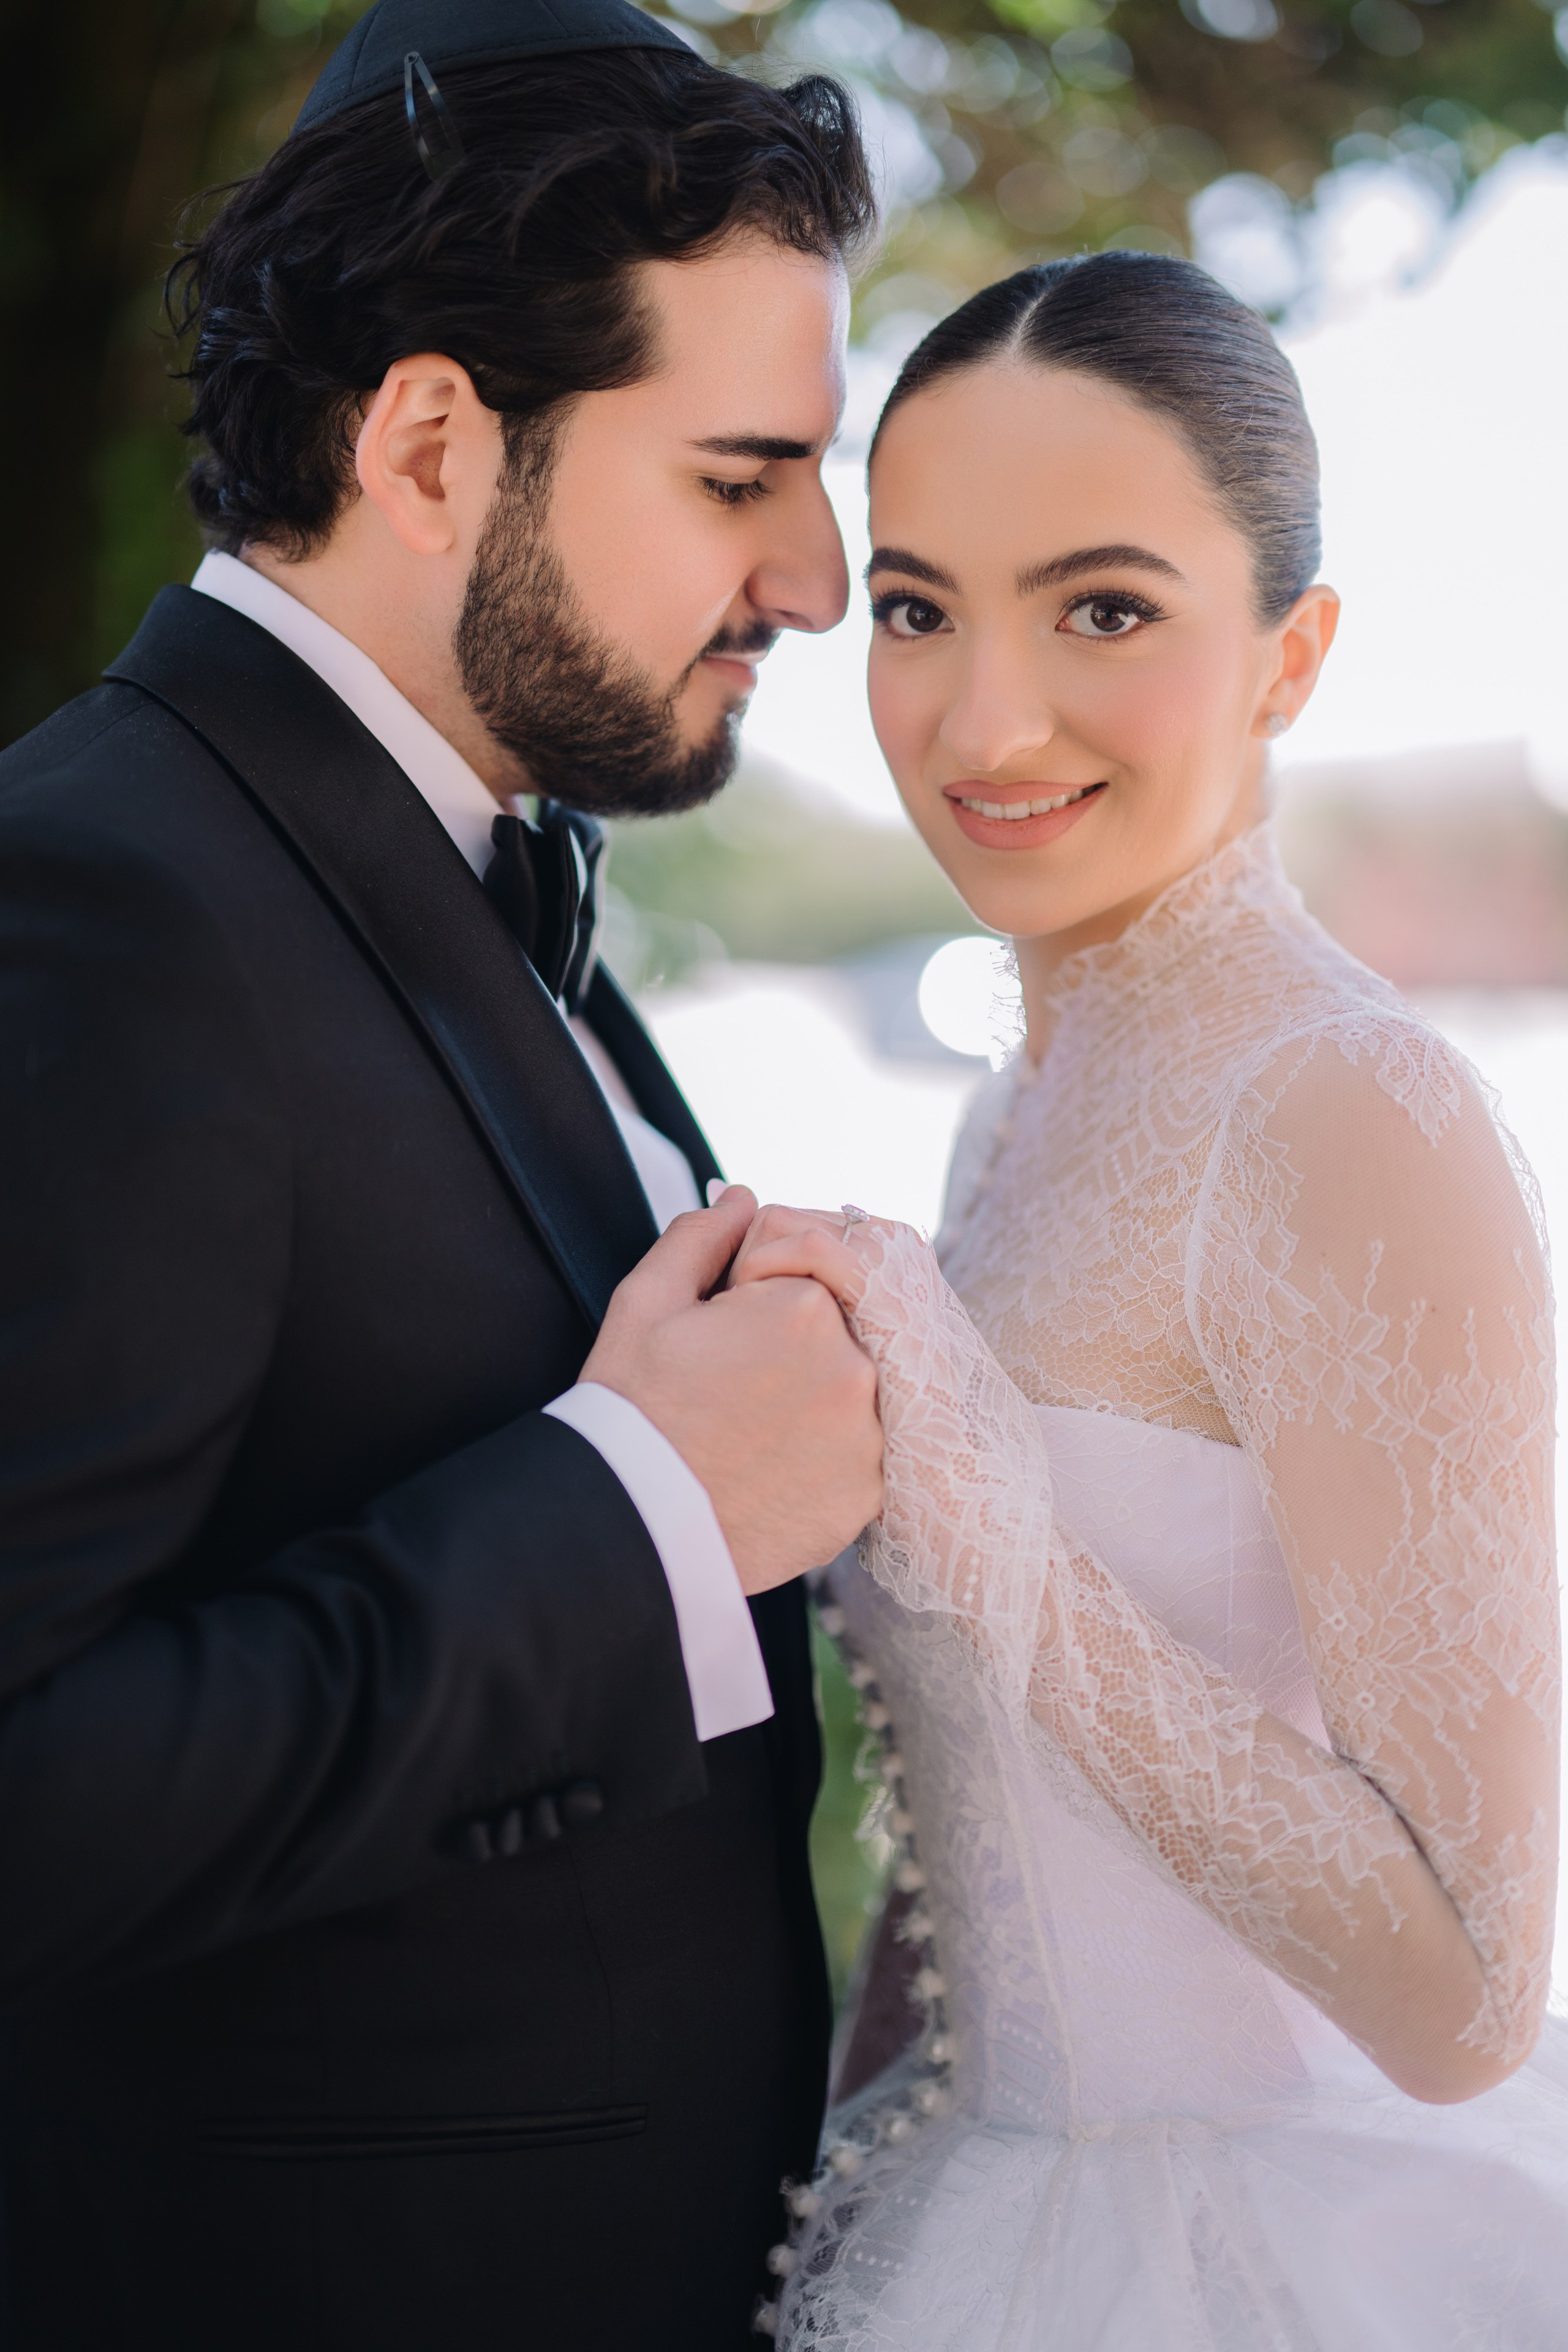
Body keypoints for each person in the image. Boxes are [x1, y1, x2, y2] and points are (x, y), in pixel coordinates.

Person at [0, 7, 881, 2346]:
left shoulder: (467, 863)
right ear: (424, 439)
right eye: (736, 475)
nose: (815, 574)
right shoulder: (104, 907)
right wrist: (647, 1515)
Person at [731, 252, 1568, 2348]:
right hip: (972, 2215)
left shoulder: (1348, 1110)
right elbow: (973, 1841)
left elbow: (1470, 1997)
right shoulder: (1009, 1116)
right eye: (919, 609)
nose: (985, 720)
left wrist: (1002, 1545)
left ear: (1293, 657)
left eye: (1103, 609)